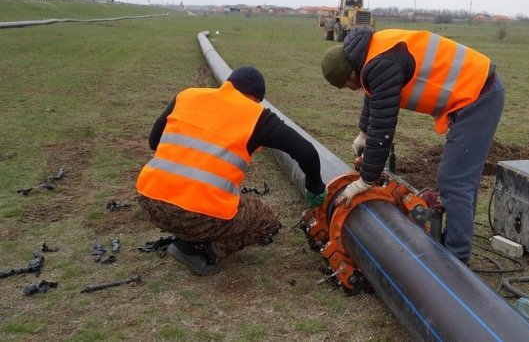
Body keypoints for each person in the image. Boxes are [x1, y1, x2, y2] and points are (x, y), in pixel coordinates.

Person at [320, 28, 505, 265]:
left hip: (479, 95)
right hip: (475, 89)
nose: (350, 89)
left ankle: (457, 262)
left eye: (347, 85)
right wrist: (363, 132)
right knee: (461, 179)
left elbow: (384, 129)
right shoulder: (371, 53)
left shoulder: (380, 64)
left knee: (454, 179)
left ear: (351, 73)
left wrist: (366, 180)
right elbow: (373, 94)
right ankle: (455, 241)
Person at [136, 66, 327, 276]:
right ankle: (198, 250)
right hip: (195, 215)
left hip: (150, 202)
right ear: (254, 98)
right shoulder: (257, 115)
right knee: (267, 220)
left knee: (208, 204)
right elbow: (307, 152)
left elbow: (154, 141)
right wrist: (315, 187)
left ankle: (189, 234)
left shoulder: (187, 96)